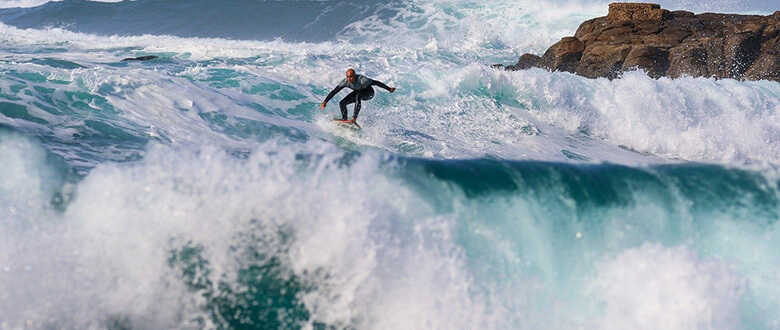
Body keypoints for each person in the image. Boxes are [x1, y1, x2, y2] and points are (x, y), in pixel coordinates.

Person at [320, 68, 395, 123]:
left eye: (351, 76)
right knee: (342, 103)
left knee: (357, 96)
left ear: (355, 75)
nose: (349, 79)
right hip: (358, 92)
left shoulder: (363, 80)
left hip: (369, 93)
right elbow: (334, 91)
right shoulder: (345, 82)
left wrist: (389, 89)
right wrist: (325, 101)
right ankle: (344, 119)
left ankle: (354, 118)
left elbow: (376, 83)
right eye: (348, 77)